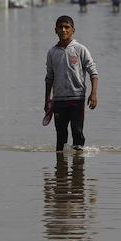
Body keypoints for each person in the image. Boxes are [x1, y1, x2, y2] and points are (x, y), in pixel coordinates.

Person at [44, 16, 99, 151]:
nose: (63, 30)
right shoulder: (52, 52)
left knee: (77, 132)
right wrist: (47, 100)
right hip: (59, 101)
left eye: (67, 27)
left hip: (77, 99)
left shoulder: (80, 49)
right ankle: (60, 169)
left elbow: (93, 72)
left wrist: (93, 94)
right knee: (61, 136)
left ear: (73, 30)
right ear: (55, 30)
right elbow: (49, 78)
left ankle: (78, 168)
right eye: (60, 27)